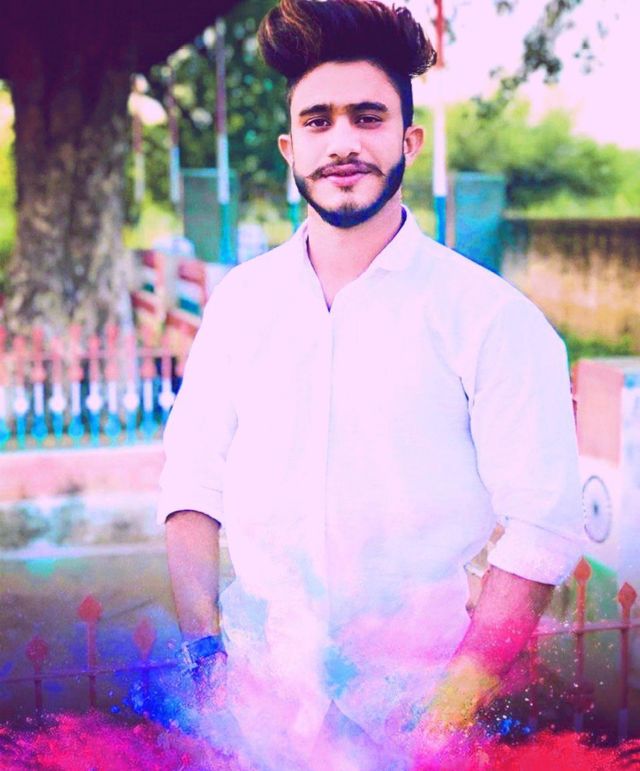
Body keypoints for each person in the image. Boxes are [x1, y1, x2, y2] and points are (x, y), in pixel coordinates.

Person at [157, 0, 584, 767]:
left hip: (419, 725)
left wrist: (442, 723)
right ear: (290, 148)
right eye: (318, 121)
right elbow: (192, 482)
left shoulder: (492, 322)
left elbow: (543, 528)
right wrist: (206, 663)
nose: (343, 141)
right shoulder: (239, 307)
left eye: (368, 116)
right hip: (257, 724)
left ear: (408, 140)